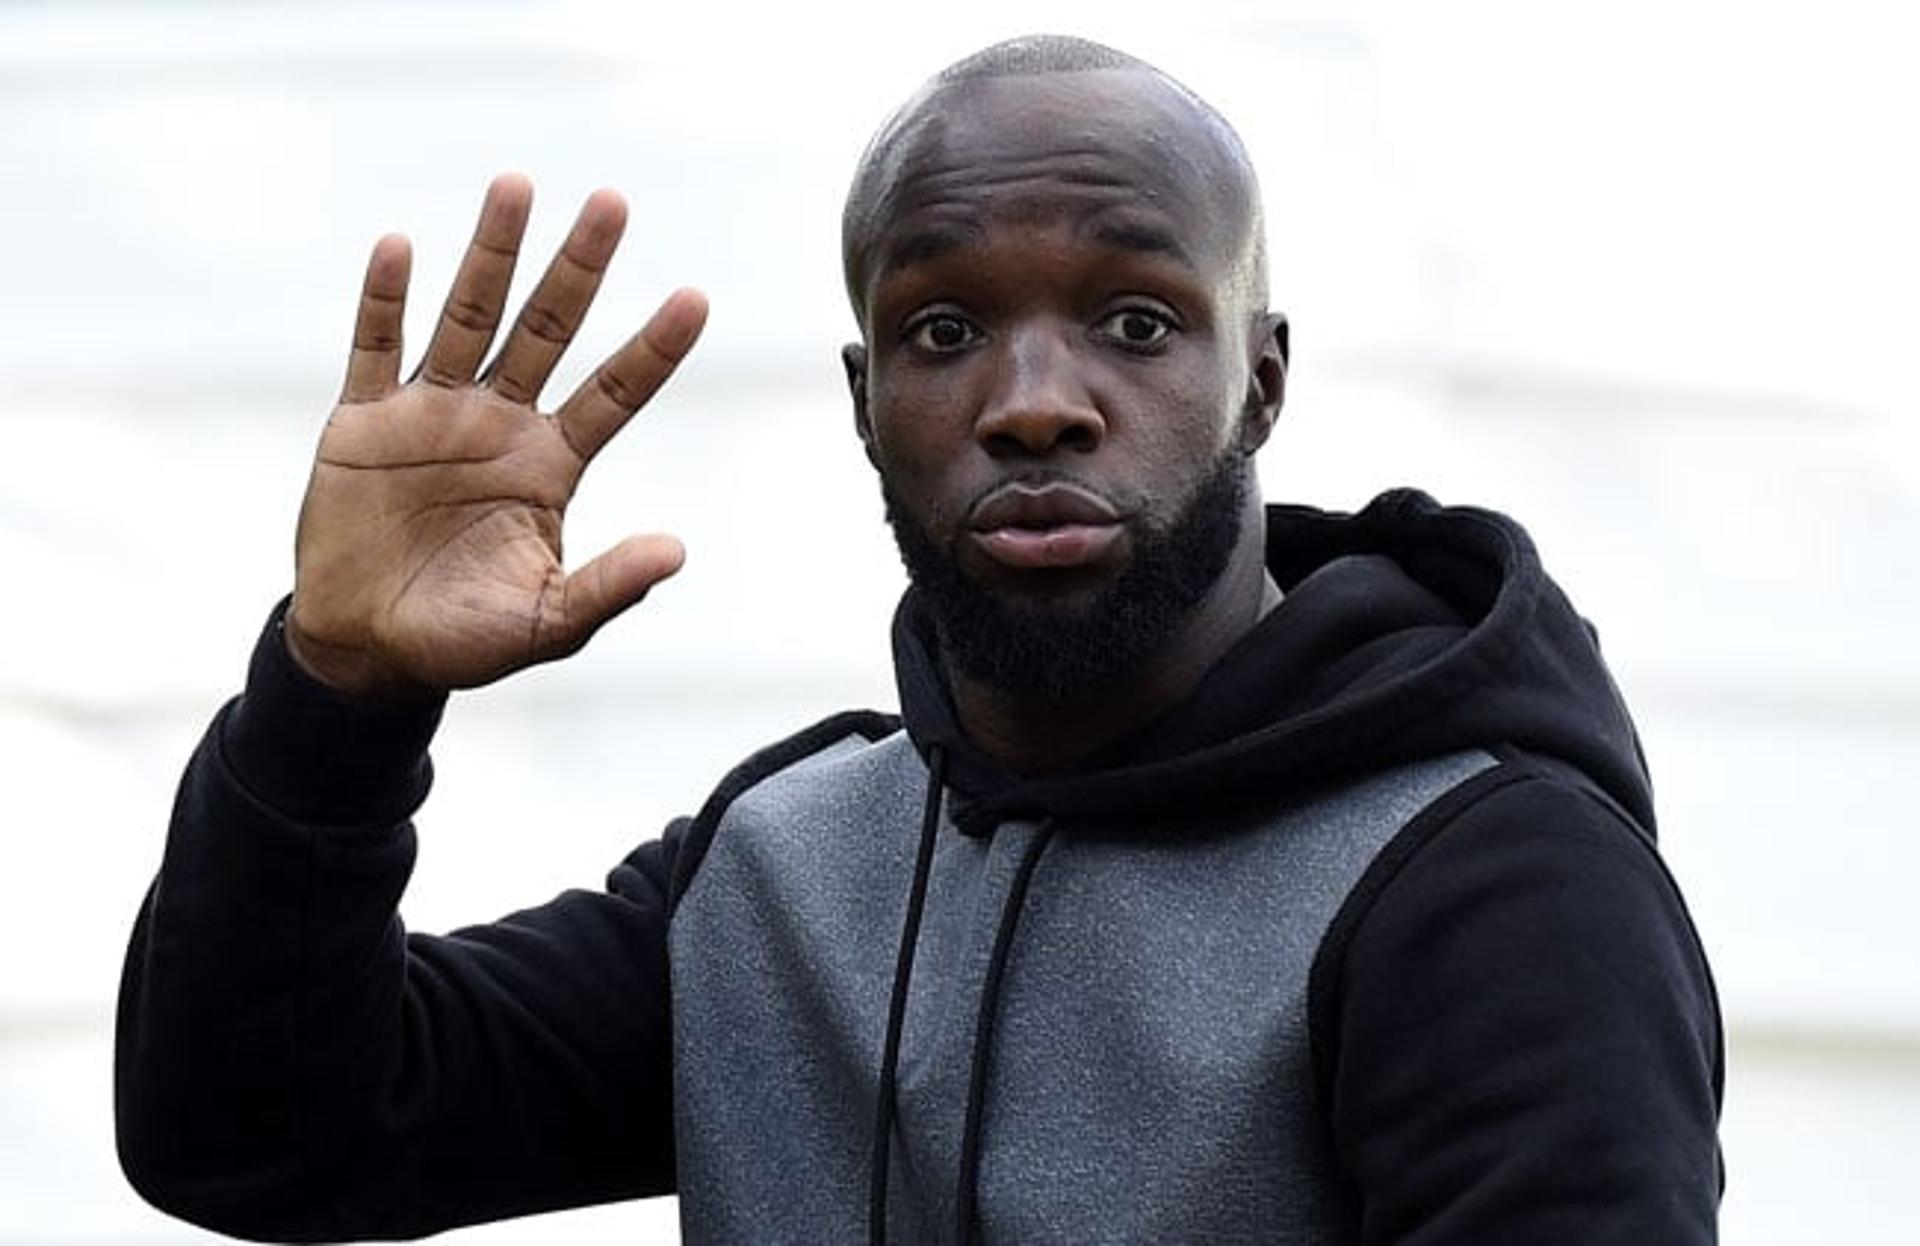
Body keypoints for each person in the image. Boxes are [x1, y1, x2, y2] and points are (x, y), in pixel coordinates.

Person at [115, 34, 1723, 1245]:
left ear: (1265, 381)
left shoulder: (1491, 880)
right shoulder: (786, 867)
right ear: (866, 402)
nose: (1034, 400)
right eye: (943, 330)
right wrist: (337, 696)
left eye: (1138, 321)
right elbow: (252, 1133)